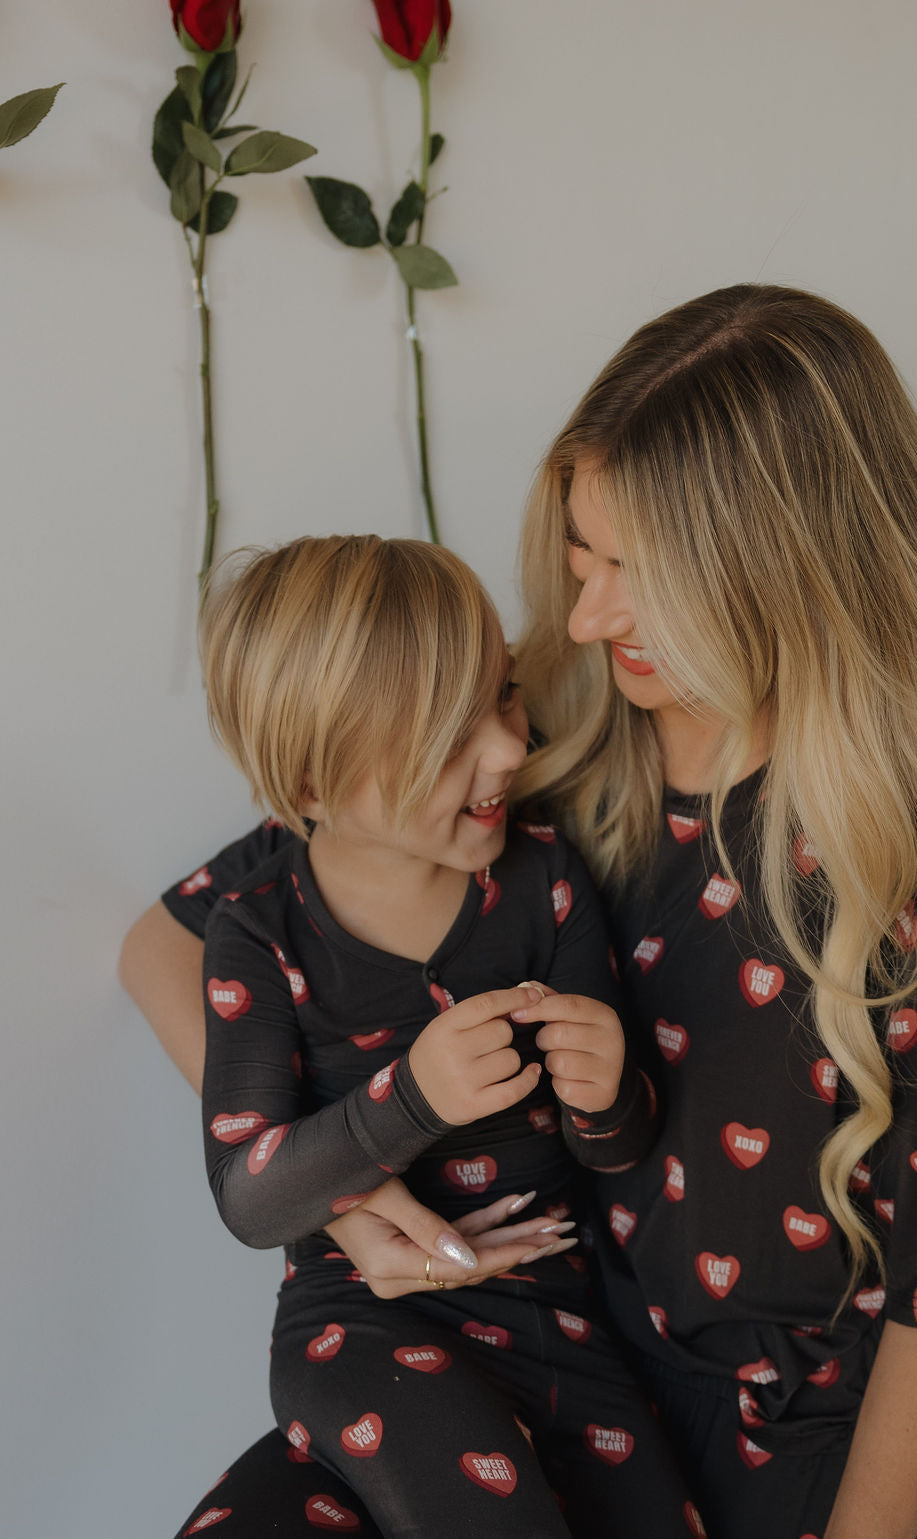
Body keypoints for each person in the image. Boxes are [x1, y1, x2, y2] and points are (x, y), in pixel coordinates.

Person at [121, 284, 917, 1539]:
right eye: (581, 556)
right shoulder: (530, 735)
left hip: (773, 1479)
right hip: (500, 1374)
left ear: (784, 567)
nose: (587, 613)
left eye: (636, 575)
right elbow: (172, 941)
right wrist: (343, 1191)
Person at [176, 532, 692, 1539]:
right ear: (314, 787)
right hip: (365, 1325)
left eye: (501, 697)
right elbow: (248, 1195)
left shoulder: (542, 879)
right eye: (448, 736)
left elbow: (617, 1147)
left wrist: (606, 1092)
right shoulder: (258, 931)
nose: (509, 750)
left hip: (563, 1325)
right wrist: (407, 1100)